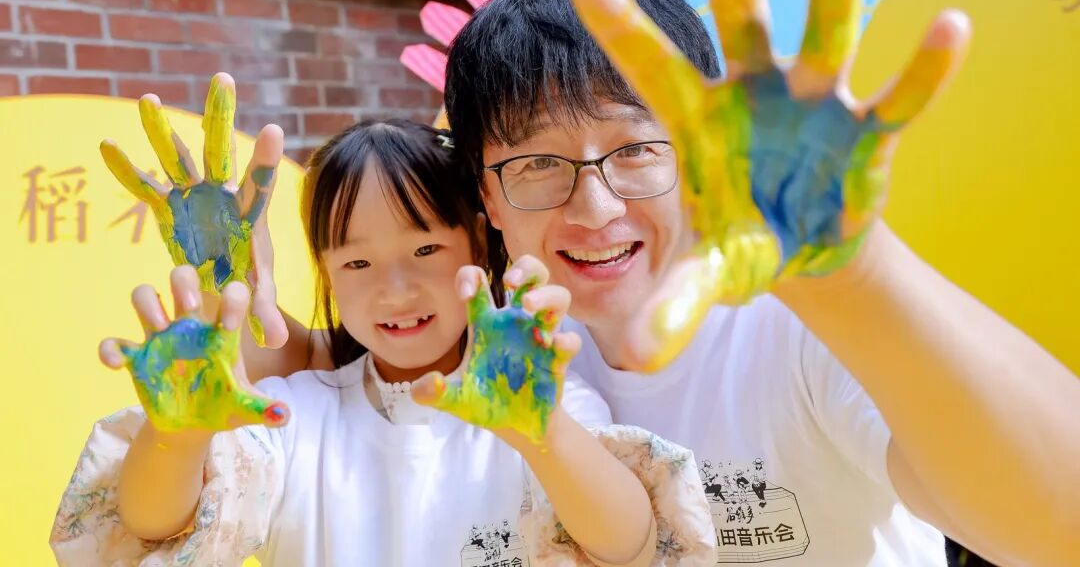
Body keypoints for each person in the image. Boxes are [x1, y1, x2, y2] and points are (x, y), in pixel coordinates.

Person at [439, 0, 1080, 565]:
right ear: (488, 196)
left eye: (636, 149)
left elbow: (1059, 533)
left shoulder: (798, 320)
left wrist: (855, 273)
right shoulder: (510, 353)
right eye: (536, 164)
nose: (595, 207)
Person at [51, 117, 715, 565]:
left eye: (424, 249)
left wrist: (541, 435)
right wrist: (178, 434)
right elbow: (154, 525)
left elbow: (630, 546)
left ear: (477, 240)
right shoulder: (295, 413)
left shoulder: (542, 398)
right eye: (357, 263)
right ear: (325, 274)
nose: (394, 290)